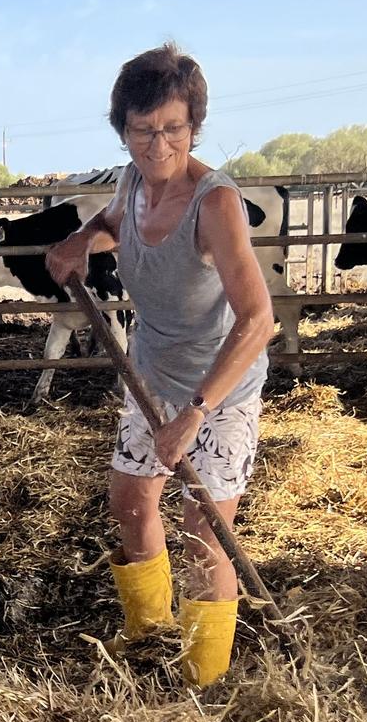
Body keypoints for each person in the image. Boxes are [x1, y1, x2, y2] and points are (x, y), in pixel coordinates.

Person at [46, 44, 275, 686]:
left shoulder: (215, 204)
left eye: (172, 128)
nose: (157, 145)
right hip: (152, 376)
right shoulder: (131, 182)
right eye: (142, 131)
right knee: (130, 499)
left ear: (193, 125)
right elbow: (114, 222)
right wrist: (80, 242)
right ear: (123, 131)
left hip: (219, 391)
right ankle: (149, 641)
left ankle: (202, 684)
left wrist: (196, 413)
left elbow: (259, 321)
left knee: (205, 532)